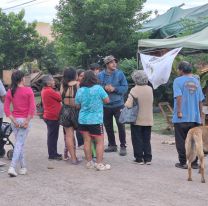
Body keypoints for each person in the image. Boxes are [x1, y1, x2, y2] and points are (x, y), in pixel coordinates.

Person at [75, 70, 111, 170]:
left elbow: (77, 105)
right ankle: (99, 164)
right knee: (99, 142)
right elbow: (107, 100)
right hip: (95, 120)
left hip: (83, 120)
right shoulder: (99, 88)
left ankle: (89, 163)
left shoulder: (80, 90)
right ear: (94, 78)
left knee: (87, 141)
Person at [172, 61, 204, 169]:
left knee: (181, 140)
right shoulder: (197, 81)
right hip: (195, 117)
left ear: (181, 70)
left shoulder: (177, 81)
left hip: (181, 118)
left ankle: (183, 162)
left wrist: (179, 111)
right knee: (193, 141)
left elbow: (179, 97)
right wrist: (200, 116)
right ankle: (194, 163)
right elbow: (200, 101)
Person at [4, 70, 36, 177]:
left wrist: (13, 120)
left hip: (15, 121)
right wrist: (27, 121)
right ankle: (12, 166)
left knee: (19, 143)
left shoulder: (10, 91)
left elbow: (6, 109)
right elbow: (32, 108)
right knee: (19, 143)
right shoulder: (28, 90)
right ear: (21, 78)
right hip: (24, 121)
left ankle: (23, 167)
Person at [98, 55, 128, 156]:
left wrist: (114, 89)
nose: (114, 64)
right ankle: (112, 145)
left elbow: (125, 87)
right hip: (105, 105)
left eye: (115, 62)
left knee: (121, 125)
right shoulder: (100, 75)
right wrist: (104, 87)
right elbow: (97, 87)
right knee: (108, 126)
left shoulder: (120, 74)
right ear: (107, 64)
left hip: (119, 104)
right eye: (111, 62)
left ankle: (123, 146)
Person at [125, 70, 153, 165]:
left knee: (137, 139)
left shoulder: (134, 90)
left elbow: (128, 105)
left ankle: (139, 158)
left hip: (137, 119)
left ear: (135, 79)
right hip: (148, 118)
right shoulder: (150, 89)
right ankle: (148, 158)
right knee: (146, 139)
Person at [60, 67, 80, 165]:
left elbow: (61, 98)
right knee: (82, 134)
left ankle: (73, 158)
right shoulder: (78, 85)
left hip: (65, 111)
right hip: (76, 111)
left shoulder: (62, 85)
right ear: (73, 75)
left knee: (68, 136)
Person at [41, 75, 62, 160]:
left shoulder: (45, 90)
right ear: (48, 83)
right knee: (52, 136)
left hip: (49, 116)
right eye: (53, 80)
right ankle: (52, 154)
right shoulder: (49, 91)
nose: (54, 82)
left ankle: (53, 153)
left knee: (52, 136)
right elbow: (60, 97)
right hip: (52, 117)